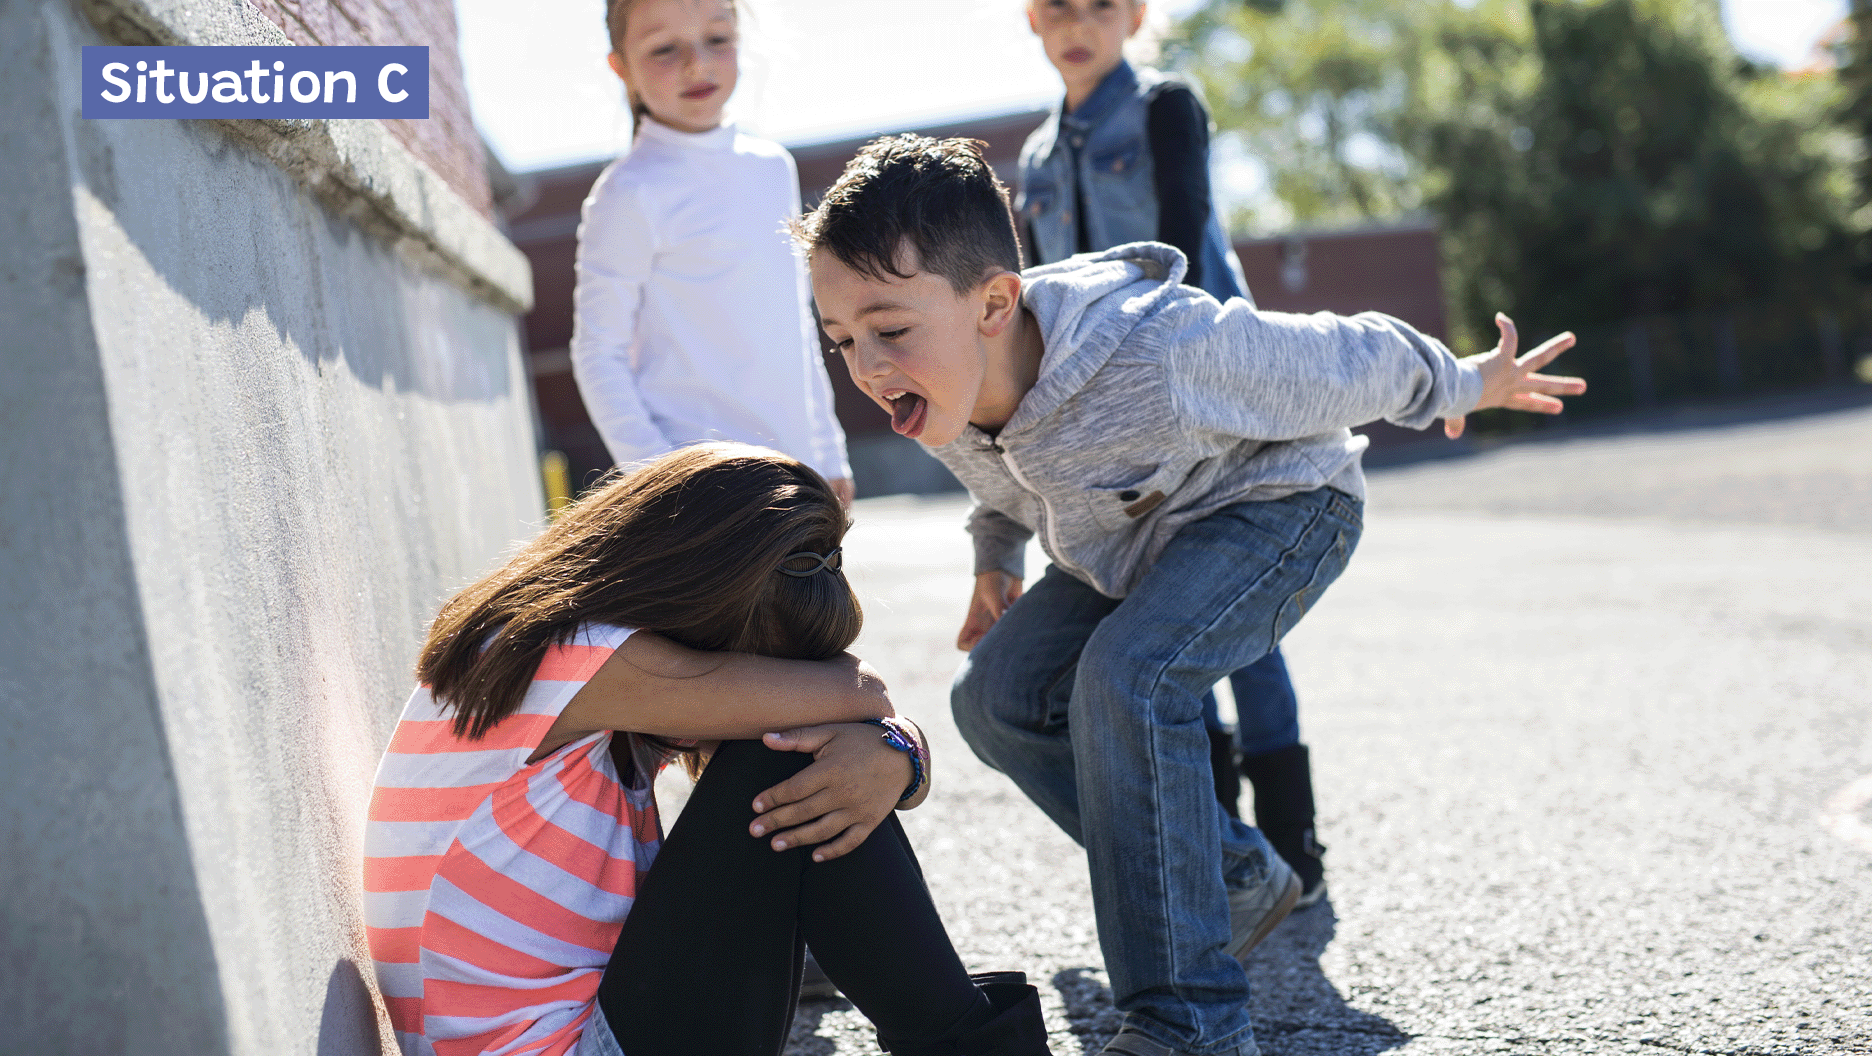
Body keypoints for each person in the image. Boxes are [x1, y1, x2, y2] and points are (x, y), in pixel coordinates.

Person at [794, 135, 1583, 1056]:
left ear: (994, 304)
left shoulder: (1160, 350)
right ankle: (1233, 875)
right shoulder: (937, 382)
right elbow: (1000, 481)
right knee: (995, 702)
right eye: (841, 339)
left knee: (1128, 678)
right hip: (1133, 544)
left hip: (1282, 507)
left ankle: (1193, 1021)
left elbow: (1343, 356)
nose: (867, 365)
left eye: (888, 329)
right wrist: (994, 559)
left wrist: (1463, 380)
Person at [363, 444, 1053, 1056]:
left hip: (589, 1028)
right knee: (785, 757)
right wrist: (894, 744)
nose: (754, 697)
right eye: (754, 668)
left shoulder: (562, 661)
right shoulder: (570, 658)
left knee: (803, 758)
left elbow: (861, 710)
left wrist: (899, 753)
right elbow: (860, 692)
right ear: (696, 600)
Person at [1014, 0, 1319, 899]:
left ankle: (1294, 845)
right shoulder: (1032, 159)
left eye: (1100, 6)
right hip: (1110, 425)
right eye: (1057, 7)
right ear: (1033, 18)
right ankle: (1224, 848)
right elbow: (1038, 298)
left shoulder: (1163, 108)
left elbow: (1185, 239)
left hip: (1208, 393)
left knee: (1242, 624)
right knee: (1162, 618)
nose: (1078, 24)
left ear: (1135, 13)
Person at [571, 0, 853, 505]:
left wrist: (828, 453)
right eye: (663, 49)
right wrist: (660, 481)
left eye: (717, 39)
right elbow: (598, 353)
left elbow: (794, 323)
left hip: (797, 473)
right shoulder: (628, 192)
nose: (697, 64)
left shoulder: (773, 168)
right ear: (622, 68)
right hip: (700, 491)